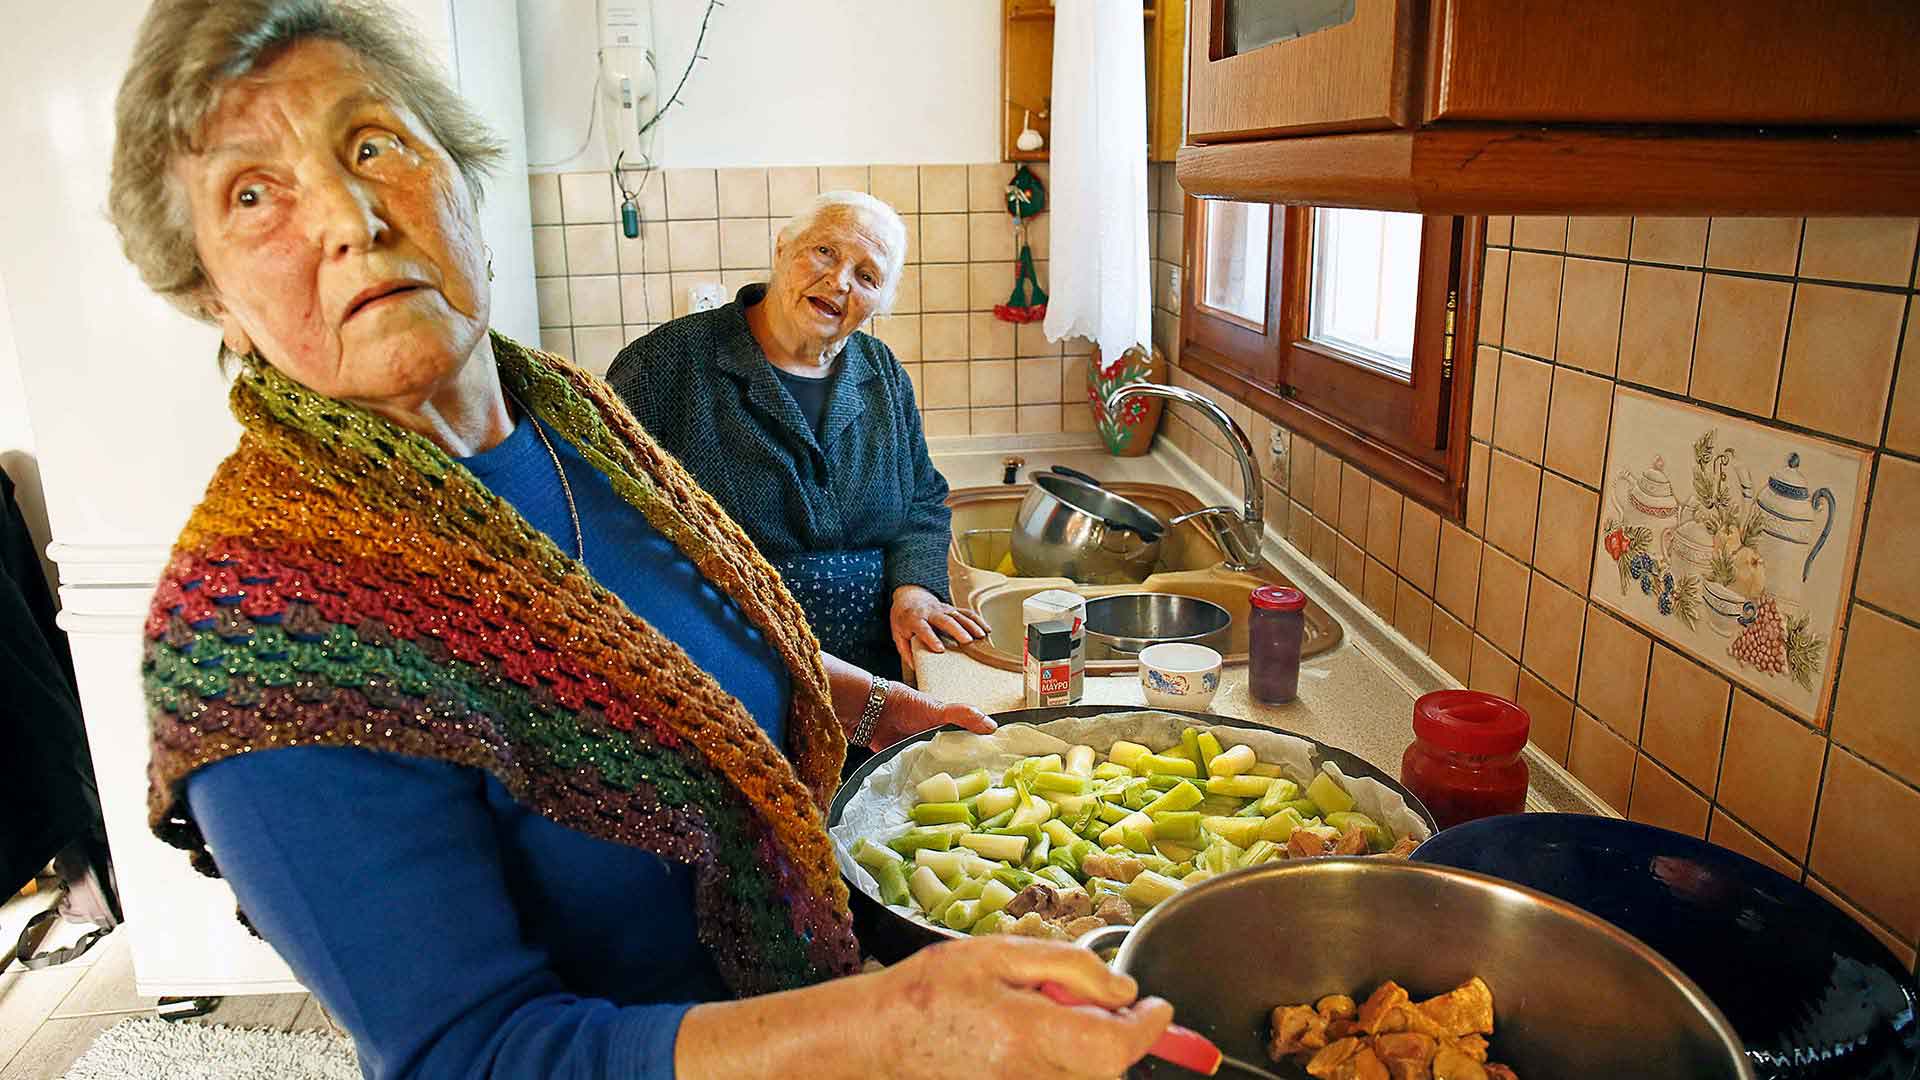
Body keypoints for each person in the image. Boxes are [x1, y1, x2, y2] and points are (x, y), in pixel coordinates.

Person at [111, 2, 1170, 1078]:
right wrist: (882, 1034)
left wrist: (873, 705)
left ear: (460, 170)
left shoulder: (569, 415)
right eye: (253, 195)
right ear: (213, 299)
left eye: (373, 144)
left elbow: (693, 645)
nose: (349, 216)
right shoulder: (265, 638)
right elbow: (469, 1057)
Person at [607, 193, 987, 682]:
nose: (839, 281)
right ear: (782, 248)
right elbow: (609, 525)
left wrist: (914, 589)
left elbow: (922, 501)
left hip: (877, 674)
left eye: (867, 276)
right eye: (825, 252)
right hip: (725, 670)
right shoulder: (666, 364)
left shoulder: (883, 374)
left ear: (879, 304)